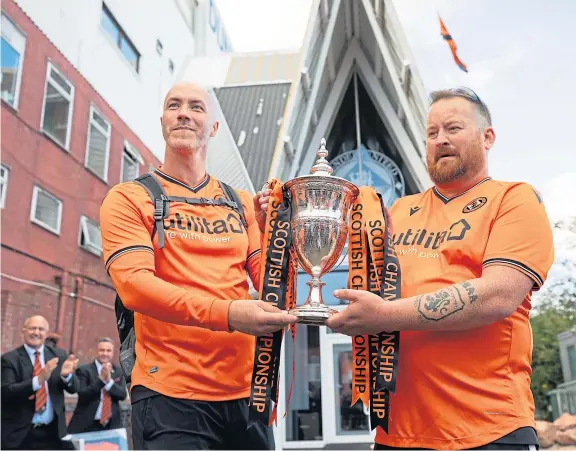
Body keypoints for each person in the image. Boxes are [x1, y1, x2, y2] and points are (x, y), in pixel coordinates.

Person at [325, 87, 554, 450]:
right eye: (432, 133)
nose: (440, 140)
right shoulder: (398, 211)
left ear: (487, 136)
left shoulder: (514, 199)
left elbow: (497, 295)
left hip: (489, 430)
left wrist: (383, 315)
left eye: (453, 128)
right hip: (397, 434)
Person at [100, 81, 297, 450]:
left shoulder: (239, 202)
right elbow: (134, 286)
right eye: (174, 105)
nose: (184, 113)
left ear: (214, 127)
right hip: (169, 394)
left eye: (196, 107)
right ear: (163, 121)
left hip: (245, 393)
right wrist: (228, 313)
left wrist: (278, 232)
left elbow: (275, 288)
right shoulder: (130, 197)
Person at [1, 315, 79, 450]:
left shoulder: (58, 355)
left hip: (53, 434)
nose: (36, 332)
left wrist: (67, 376)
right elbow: (6, 392)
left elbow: (75, 388)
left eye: (41, 329)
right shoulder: (9, 359)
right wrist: (39, 380)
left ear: (46, 334)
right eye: (32, 328)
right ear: (23, 331)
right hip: (21, 435)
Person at [68, 337, 127, 434]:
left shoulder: (118, 371)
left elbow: (122, 395)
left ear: (112, 353)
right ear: (96, 351)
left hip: (111, 425)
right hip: (87, 424)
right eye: (102, 350)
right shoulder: (84, 370)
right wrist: (101, 380)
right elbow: (83, 395)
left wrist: (108, 382)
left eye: (108, 351)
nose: (105, 353)